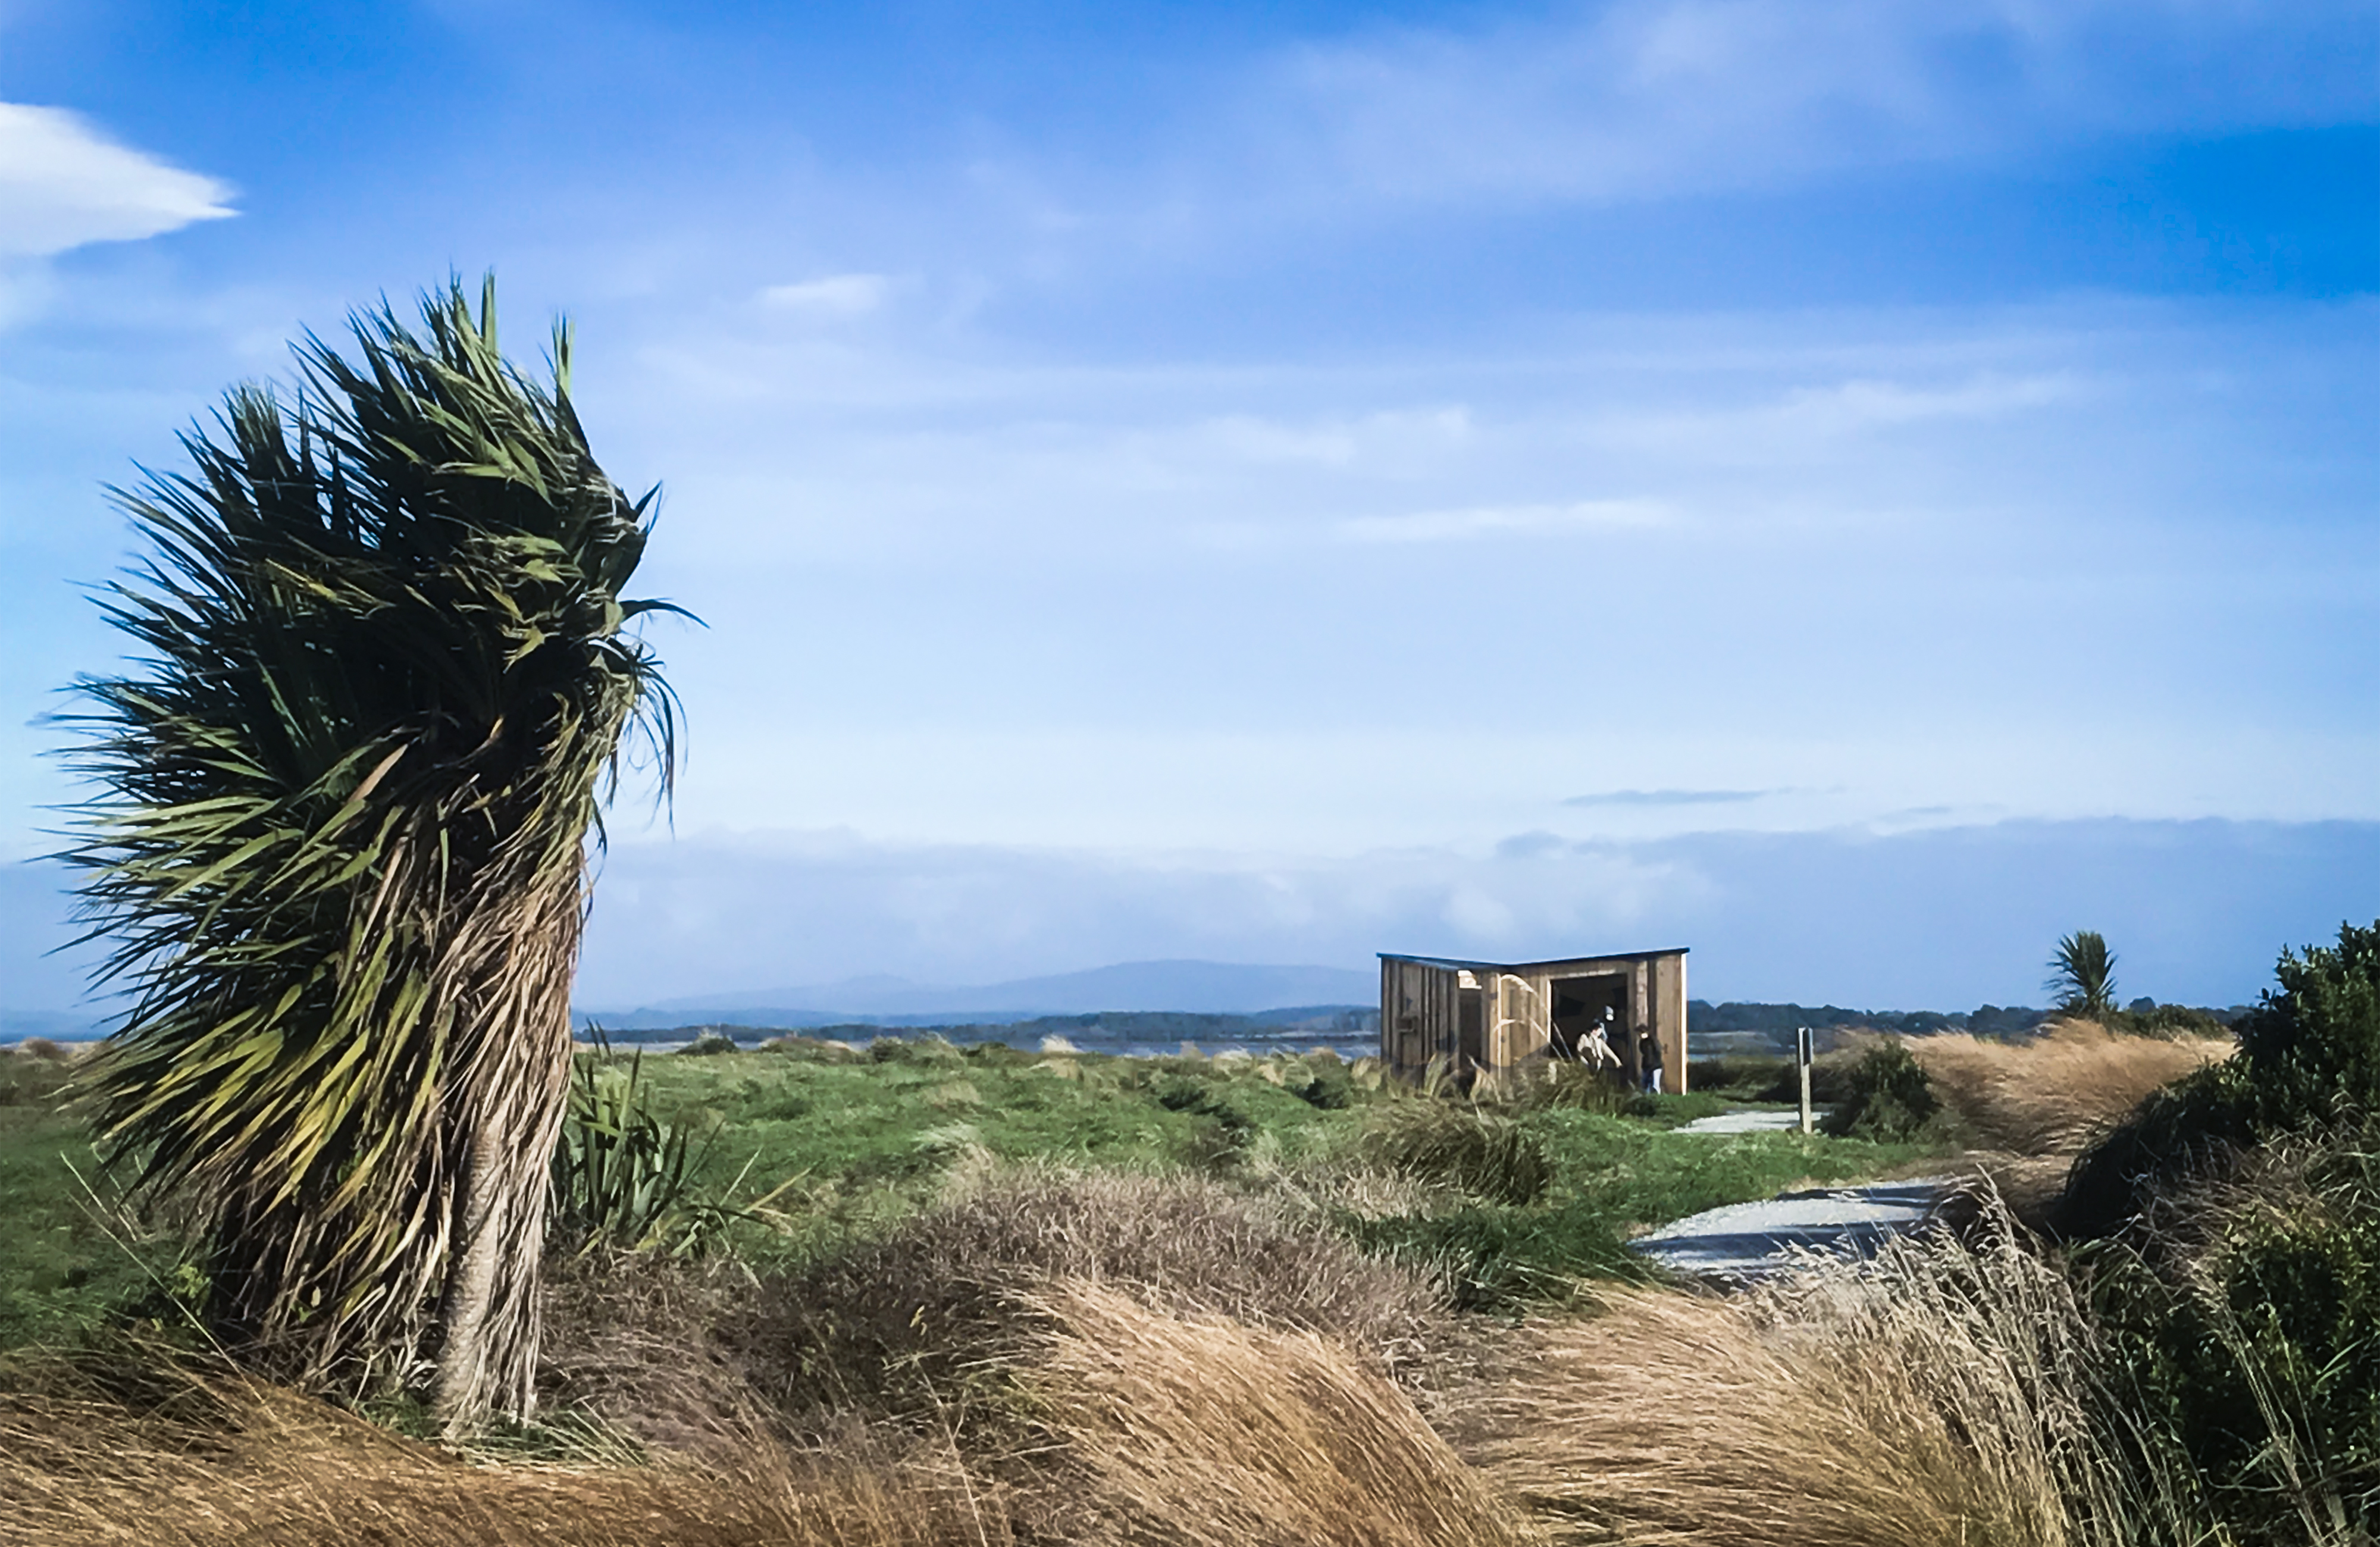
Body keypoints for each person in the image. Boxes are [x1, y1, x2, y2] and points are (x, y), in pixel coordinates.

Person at [1579, 1006, 1619, 1072]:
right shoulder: (1585, 1038)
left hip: (1598, 1057)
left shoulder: (1600, 1040)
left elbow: (1606, 1049)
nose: (1598, 1031)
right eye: (1597, 1030)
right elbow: (1581, 1052)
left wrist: (1616, 1060)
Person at [1638, 1021, 1665, 1095]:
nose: (1639, 1035)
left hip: (1655, 1065)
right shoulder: (1642, 1042)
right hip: (1647, 1065)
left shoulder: (1652, 1042)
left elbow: (1657, 1053)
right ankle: (1647, 1097)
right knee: (1645, 1084)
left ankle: (1657, 1098)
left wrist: (1653, 1065)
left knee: (1655, 1085)